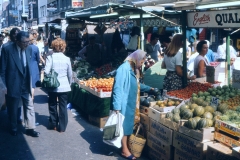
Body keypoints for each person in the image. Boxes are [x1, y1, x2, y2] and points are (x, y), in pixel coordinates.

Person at [111, 49, 153, 160]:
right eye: (142, 61)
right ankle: (124, 150)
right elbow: (117, 88)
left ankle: (125, 147)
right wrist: (116, 106)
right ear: (136, 58)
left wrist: (150, 89)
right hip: (124, 103)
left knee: (128, 126)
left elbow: (137, 85)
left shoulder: (132, 69)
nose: (142, 63)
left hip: (131, 102)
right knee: (124, 127)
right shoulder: (123, 69)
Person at [0, 31, 40, 137]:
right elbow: (2, 70)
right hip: (13, 84)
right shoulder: (7, 49)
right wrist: (4, 87)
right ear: (17, 41)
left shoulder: (29, 48)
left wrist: (31, 85)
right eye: (24, 42)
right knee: (13, 108)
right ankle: (13, 127)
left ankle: (30, 128)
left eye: (28, 42)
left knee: (30, 106)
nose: (27, 44)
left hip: (26, 84)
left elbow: (28, 68)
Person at [45, 38, 72, 132]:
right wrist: (69, 84)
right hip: (64, 86)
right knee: (63, 106)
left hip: (53, 86)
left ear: (53, 47)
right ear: (63, 48)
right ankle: (62, 127)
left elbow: (46, 72)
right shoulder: (67, 59)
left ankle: (54, 124)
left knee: (52, 104)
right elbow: (70, 74)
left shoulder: (50, 58)